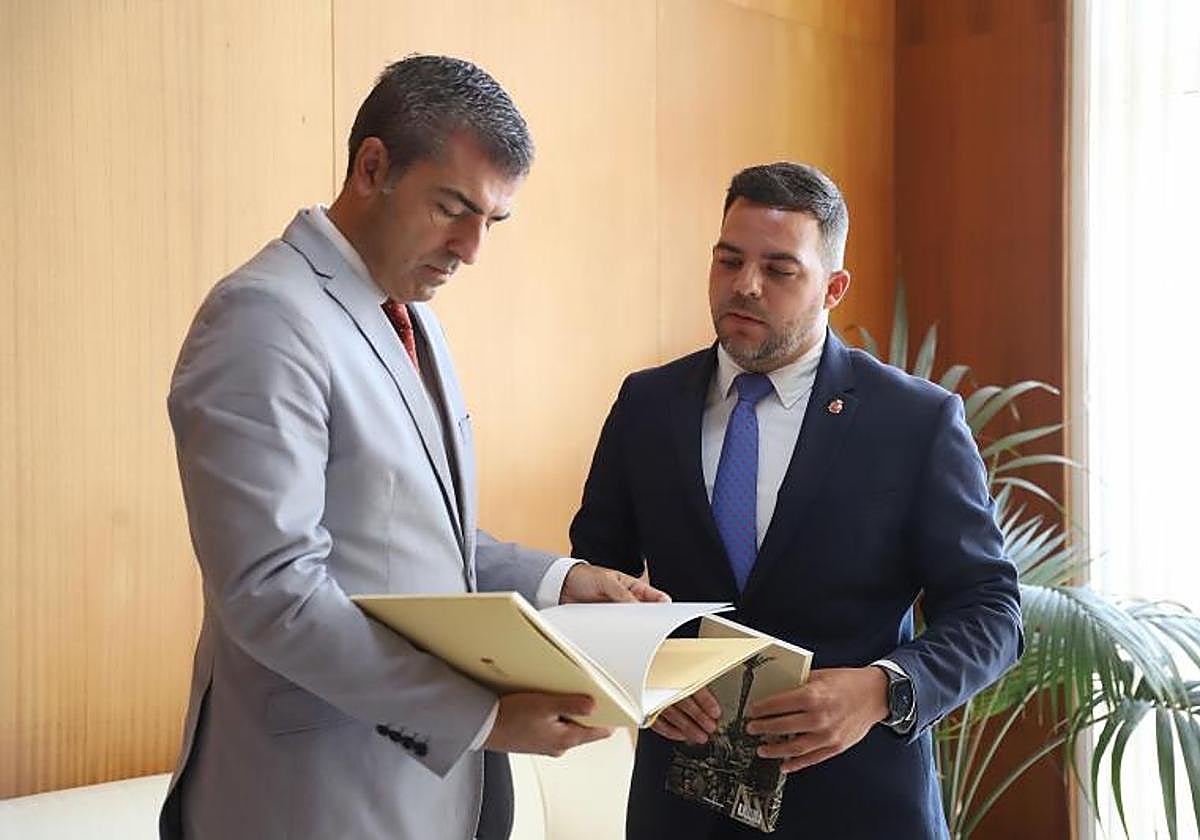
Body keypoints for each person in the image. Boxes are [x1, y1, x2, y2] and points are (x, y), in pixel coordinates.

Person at [160, 55, 667, 840]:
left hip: (424, 799)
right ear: (372, 168)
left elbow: (413, 539)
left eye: (492, 222)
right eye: (453, 207)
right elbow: (271, 593)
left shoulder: (410, 314)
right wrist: (483, 715)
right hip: (308, 803)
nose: (472, 249)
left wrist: (563, 581)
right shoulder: (261, 320)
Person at [569, 161, 1023, 839]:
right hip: (681, 809)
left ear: (833, 287)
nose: (745, 286)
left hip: (860, 805)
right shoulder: (647, 404)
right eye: (729, 260)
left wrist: (881, 690)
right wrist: (643, 675)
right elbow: (592, 578)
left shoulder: (914, 421)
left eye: (780, 270)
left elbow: (991, 611)